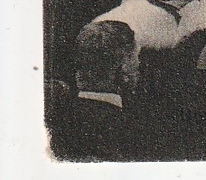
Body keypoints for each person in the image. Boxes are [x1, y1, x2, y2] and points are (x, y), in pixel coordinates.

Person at [47, 20, 140, 161]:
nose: (139, 63)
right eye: (135, 57)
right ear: (124, 66)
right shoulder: (130, 134)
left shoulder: (57, 121)